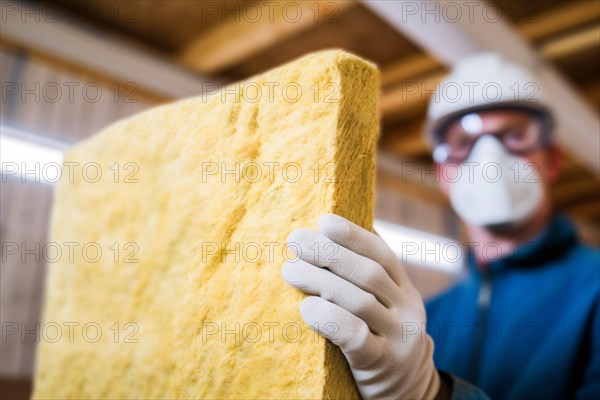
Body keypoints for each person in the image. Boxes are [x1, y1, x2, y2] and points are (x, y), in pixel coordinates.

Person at [281, 53, 600, 399]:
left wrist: (432, 394)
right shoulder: (422, 320)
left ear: (551, 160)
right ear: (444, 174)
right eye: (464, 143)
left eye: (514, 135)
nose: (489, 156)